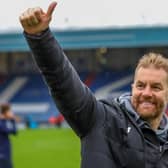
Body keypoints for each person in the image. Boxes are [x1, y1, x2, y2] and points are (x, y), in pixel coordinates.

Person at [19, 2, 168, 167]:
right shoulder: (101, 119)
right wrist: (40, 37)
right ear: (132, 88)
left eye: (156, 87)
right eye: (141, 85)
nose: (146, 93)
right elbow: (62, 82)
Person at [0, 104, 19, 168]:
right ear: (5, 112)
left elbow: (15, 132)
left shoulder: (3, 121)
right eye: (10, 111)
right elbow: (11, 131)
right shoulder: (1, 123)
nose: (11, 113)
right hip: (2, 154)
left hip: (5, 154)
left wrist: (12, 120)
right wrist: (12, 120)